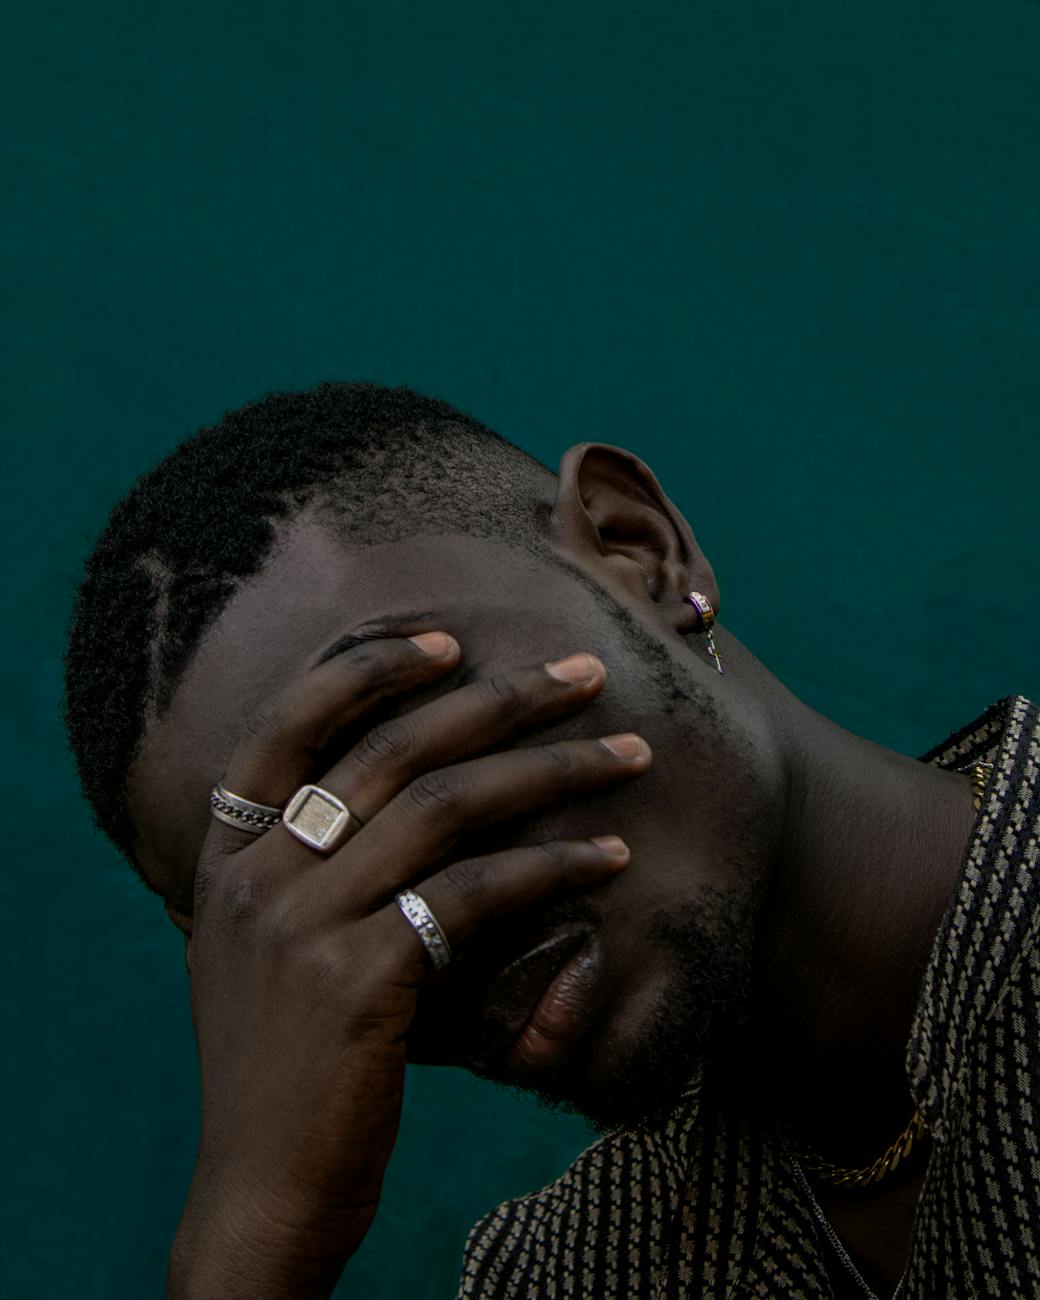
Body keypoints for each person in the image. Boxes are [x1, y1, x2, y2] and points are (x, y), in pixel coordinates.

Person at [63, 381, 1039, 1300]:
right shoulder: (571, 1269)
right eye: (298, 879)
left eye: (404, 736)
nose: (420, 897)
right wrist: (249, 1238)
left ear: (637, 551)